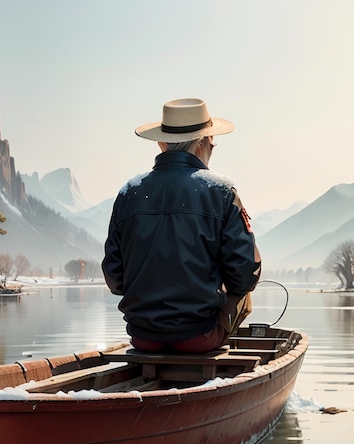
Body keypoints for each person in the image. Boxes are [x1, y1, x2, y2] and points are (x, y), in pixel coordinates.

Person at [102, 97, 261, 353]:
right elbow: (244, 274)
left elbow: (115, 279)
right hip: (199, 336)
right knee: (246, 297)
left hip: (143, 337)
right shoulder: (221, 192)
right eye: (212, 143)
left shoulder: (128, 193)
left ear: (162, 143)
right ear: (202, 144)